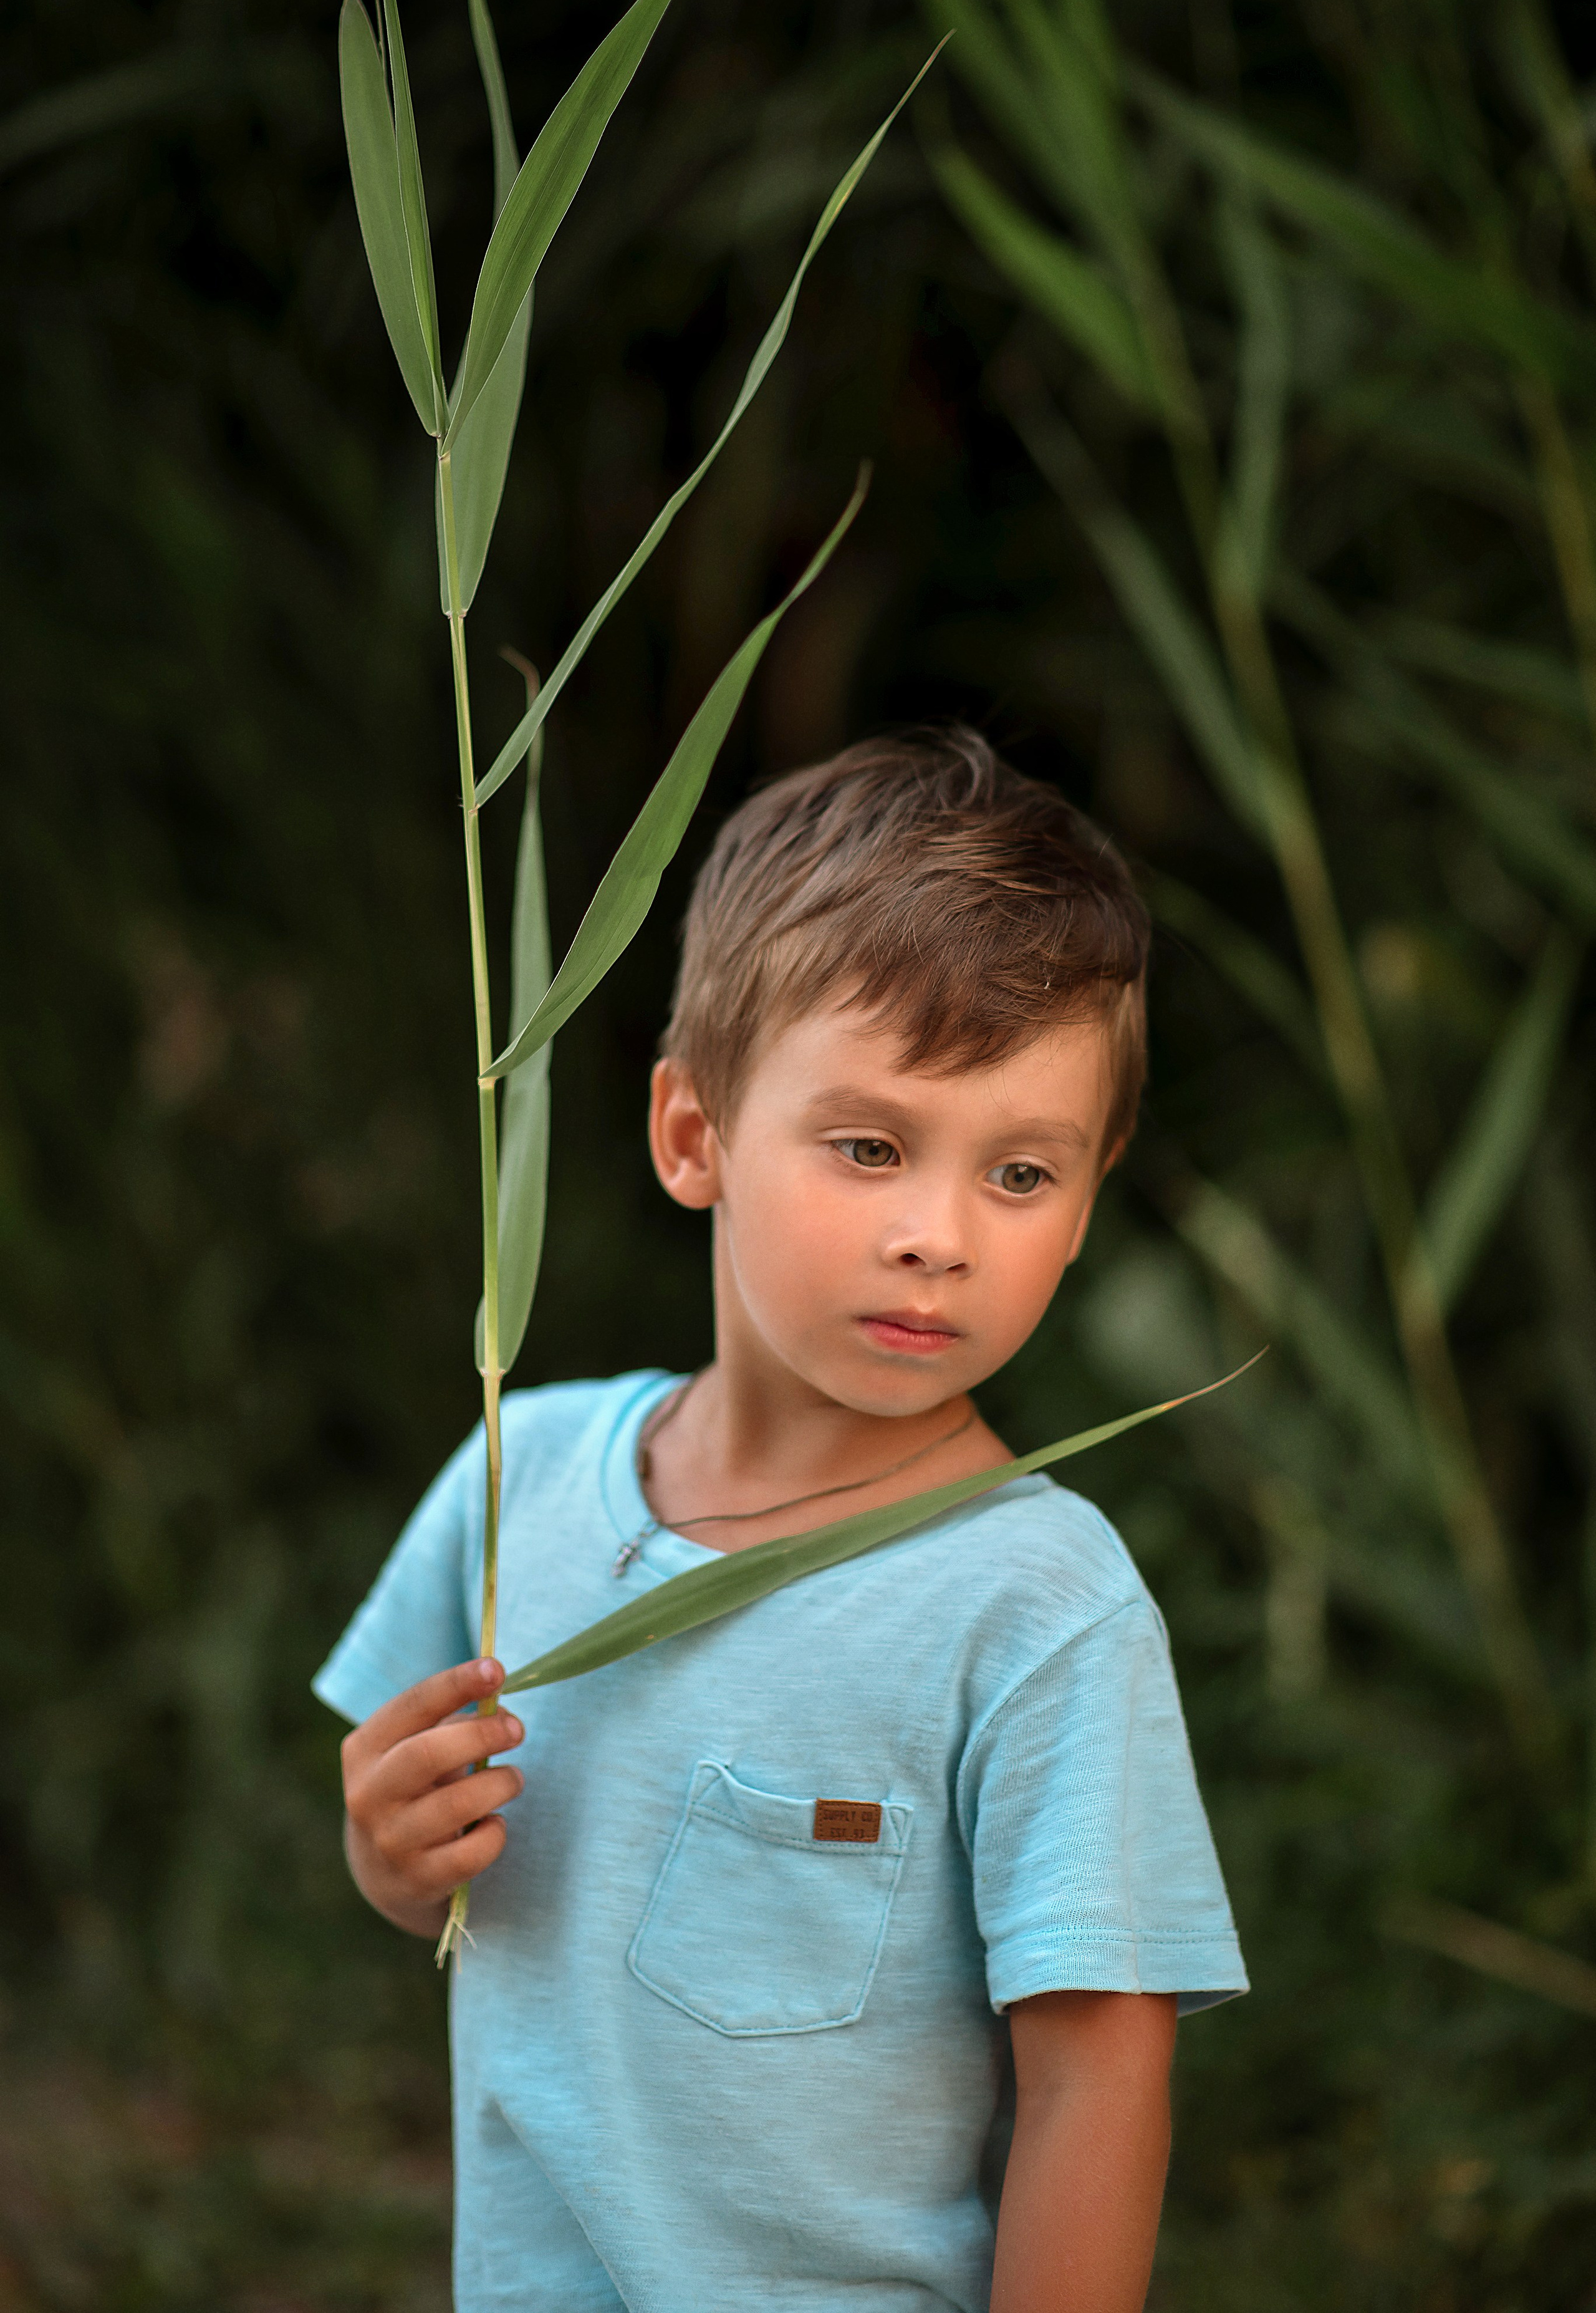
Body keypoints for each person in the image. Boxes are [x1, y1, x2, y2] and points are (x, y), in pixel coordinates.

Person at [315, 727, 1246, 2313]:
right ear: (695, 1136)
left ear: (1089, 1196)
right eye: (869, 1146)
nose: (937, 1235)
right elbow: (425, 1870)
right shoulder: (520, 1470)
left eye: (1019, 1173)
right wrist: (387, 1856)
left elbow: (1096, 2075)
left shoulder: (1036, 1602)